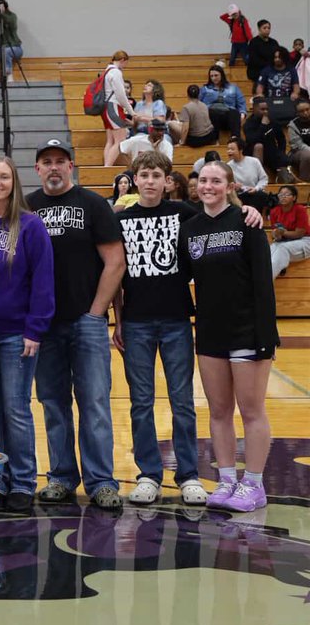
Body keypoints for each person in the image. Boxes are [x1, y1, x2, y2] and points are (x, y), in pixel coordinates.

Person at [27, 139, 126, 509]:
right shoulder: (29, 207)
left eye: (60, 161)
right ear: (37, 169)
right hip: (44, 326)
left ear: (72, 166)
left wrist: (96, 313)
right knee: (53, 403)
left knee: (95, 402)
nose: (53, 167)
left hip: (86, 322)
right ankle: (62, 476)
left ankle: (102, 481)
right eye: (46, 162)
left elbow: (115, 262)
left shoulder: (94, 205)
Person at [180, 161, 278, 511]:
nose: (208, 186)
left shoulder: (247, 223)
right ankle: (225, 480)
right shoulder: (189, 228)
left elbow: (263, 285)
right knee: (219, 410)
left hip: (248, 331)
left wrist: (266, 336)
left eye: (216, 181)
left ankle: (253, 484)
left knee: (251, 411)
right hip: (210, 331)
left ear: (230, 186)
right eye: (204, 180)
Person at [112, 152, 207, 507]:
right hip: (136, 323)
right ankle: (149, 474)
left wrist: (244, 208)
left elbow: (218, 222)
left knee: (183, 401)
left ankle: (189, 475)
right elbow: (116, 274)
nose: (150, 180)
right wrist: (118, 320)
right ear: (134, 180)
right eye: (144, 175)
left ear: (167, 181)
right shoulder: (121, 219)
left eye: (156, 175)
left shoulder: (184, 214)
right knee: (141, 402)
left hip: (176, 321)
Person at [0, 156, 54, 514]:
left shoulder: (31, 226)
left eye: (4, 176)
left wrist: (35, 328)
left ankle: (22, 482)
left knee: (16, 408)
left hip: (18, 333)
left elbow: (44, 281)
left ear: (14, 182)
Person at [242, 97, 295, 182]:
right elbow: (253, 140)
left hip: (271, 152)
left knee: (283, 159)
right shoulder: (248, 124)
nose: (265, 112)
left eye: (267, 109)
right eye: (262, 109)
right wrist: (263, 126)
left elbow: (281, 139)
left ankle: (284, 178)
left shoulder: (272, 120)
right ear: (254, 109)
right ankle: (257, 178)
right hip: (253, 154)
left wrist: (281, 152)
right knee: (259, 146)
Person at [269, 184, 310, 279]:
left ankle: (265, 282)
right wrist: (276, 234)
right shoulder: (274, 211)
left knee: (282, 248)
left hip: (305, 240)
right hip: (284, 241)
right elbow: (276, 235)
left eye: (287, 194)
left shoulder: (300, 209)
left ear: (294, 197)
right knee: (267, 252)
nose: (283, 196)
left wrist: (283, 233)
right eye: (281, 194)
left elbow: (300, 233)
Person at [101, 50, 133, 167]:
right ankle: (107, 168)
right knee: (120, 139)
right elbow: (121, 96)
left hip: (105, 107)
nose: (125, 67)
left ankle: (106, 166)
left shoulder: (107, 71)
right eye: (126, 63)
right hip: (113, 106)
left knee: (110, 141)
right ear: (122, 60)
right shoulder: (116, 72)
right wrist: (132, 112)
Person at [255, 46, 301, 124]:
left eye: (279, 57)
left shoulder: (291, 70)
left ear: (284, 58)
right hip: (270, 100)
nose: (277, 59)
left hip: (287, 100)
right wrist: (260, 94)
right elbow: (260, 86)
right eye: (275, 57)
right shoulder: (266, 70)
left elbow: (296, 86)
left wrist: (295, 93)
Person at [198, 65, 246, 137]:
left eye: (216, 75)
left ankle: (235, 138)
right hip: (210, 117)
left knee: (234, 112)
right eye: (211, 76)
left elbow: (241, 103)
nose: (214, 78)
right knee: (213, 112)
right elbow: (198, 104)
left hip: (228, 116)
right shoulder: (205, 89)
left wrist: (242, 114)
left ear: (222, 75)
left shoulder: (233, 88)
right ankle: (214, 139)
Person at [226, 137, 270, 212]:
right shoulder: (228, 166)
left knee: (261, 196)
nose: (229, 152)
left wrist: (256, 188)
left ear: (240, 150)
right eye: (228, 149)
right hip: (239, 196)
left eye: (232, 149)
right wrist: (234, 187)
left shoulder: (254, 161)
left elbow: (264, 179)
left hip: (255, 193)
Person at [246, 18, 279, 89]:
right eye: (264, 28)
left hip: (272, 72)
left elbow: (278, 55)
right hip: (258, 73)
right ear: (259, 29)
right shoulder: (253, 42)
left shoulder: (274, 42)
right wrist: (269, 67)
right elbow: (253, 59)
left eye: (269, 28)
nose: (267, 30)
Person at [288, 98, 310, 180]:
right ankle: (305, 182)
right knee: (308, 155)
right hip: (298, 152)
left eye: (307, 109)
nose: (305, 113)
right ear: (297, 113)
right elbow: (298, 145)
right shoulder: (293, 125)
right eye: (302, 111)